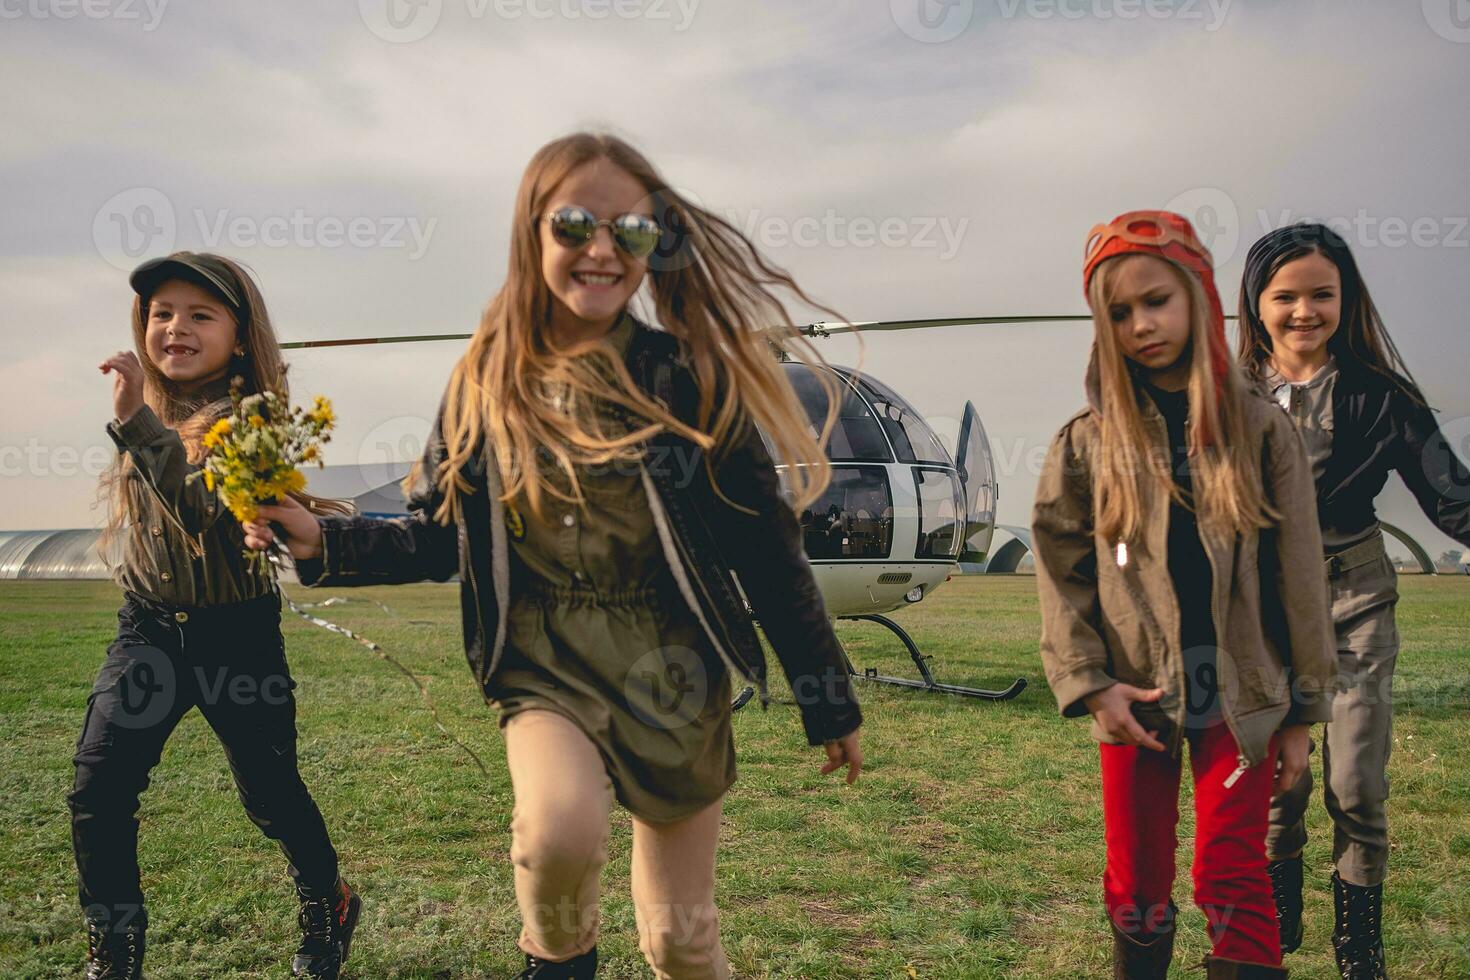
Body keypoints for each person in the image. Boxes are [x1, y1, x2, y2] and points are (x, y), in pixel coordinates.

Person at [246, 132, 864, 979]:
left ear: (654, 249)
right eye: (575, 224)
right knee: (556, 833)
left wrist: (828, 696)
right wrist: (328, 541)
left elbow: (767, 547)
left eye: (632, 232)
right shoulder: (483, 382)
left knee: (681, 944)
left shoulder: (688, 379)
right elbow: (439, 534)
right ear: (532, 233)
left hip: (675, 665)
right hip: (545, 659)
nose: (603, 249)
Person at [1032, 211, 1337, 979]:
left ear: (1199, 297)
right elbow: (1059, 566)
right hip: (1134, 698)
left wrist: (1302, 712)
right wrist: (1090, 684)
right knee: (1135, 885)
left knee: (1230, 876)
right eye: (1120, 313)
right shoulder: (1085, 441)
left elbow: (1300, 579)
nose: (1141, 325)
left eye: (1156, 301)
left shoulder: (1265, 432)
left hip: (1246, 697)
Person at [74, 252, 360, 980]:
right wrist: (145, 418)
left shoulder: (255, 422)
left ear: (239, 335)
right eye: (162, 313)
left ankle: (329, 902)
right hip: (148, 632)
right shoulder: (154, 415)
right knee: (98, 790)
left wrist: (136, 419)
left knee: (271, 797)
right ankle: (118, 957)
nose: (176, 327)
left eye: (200, 314)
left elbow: (203, 512)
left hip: (236, 639)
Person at [1239, 223, 1470, 978]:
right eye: (1286, 296)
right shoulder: (1227, 395)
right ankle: (1275, 932)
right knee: (1280, 785)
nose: (1304, 310)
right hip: (1266, 613)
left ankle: (1359, 954)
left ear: (1346, 300)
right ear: (1256, 302)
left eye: (1322, 294)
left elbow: (1453, 499)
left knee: (1355, 784)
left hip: (1355, 599)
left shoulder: (1384, 396)